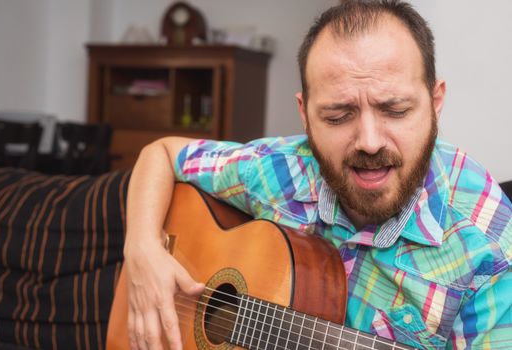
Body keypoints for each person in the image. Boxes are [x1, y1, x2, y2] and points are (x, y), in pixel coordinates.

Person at [124, 1, 512, 349]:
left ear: (435, 102)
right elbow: (161, 153)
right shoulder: (282, 170)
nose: (370, 142)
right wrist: (142, 250)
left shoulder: (490, 249)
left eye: (395, 110)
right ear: (305, 114)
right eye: (338, 116)